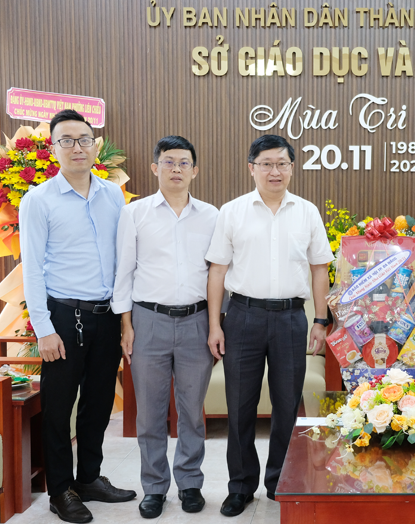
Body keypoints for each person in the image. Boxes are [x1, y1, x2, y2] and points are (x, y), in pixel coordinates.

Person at [205, 134, 333, 517]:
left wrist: (321, 319)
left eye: (282, 164)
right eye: (266, 164)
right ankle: (240, 486)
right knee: (239, 406)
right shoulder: (232, 211)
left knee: (287, 405)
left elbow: (320, 269)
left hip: (291, 318)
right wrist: (215, 325)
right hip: (242, 317)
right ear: (252, 168)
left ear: (292, 168)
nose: (274, 171)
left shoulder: (307, 212)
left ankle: (280, 481)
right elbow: (217, 271)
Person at [20, 109, 136, 524]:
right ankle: (60, 490)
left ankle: (88, 478)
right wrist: (44, 329)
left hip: (105, 316)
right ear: (54, 148)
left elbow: (124, 260)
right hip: (63, 317)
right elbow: (32, 269)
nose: (77, 147)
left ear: (95, 145)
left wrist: (124, 319)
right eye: (66, 140)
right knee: (58, 408)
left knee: (98, 403)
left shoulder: (112, 196)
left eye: (84, 139)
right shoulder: (38, 200)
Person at [111, 136, 218, 519]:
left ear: (195, 171)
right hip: (148, 321)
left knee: (191, 411)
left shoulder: (211, 216)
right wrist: (126, 324)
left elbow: (218, 274)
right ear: (155, 167)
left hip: (196, 321)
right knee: (150, 413)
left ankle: (189, 483)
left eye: (184, 162)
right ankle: (154, 487)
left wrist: (215, 324)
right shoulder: (134, 213)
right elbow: (124, 271)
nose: (176, 169)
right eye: (169, 162)